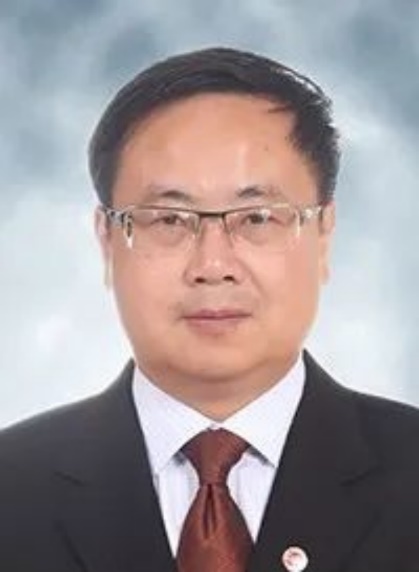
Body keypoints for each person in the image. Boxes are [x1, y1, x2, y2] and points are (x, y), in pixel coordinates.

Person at [1, 46, 418, 572]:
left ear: (323, 235)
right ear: (107, 241)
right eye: (168, 220)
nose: (213, 265)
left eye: (257, 217)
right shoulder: (12, 488)